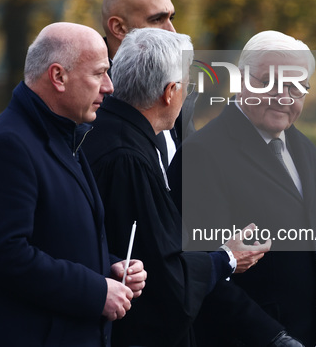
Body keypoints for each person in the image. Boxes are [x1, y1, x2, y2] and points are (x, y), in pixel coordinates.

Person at [86, 28, 301, 347]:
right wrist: (227, 257)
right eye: (187, 85)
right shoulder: (127, 157)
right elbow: (164, 274)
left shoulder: (110, 135)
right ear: (170, 92)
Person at [0, 22, 146, 347]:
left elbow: (56, 240)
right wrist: (95, 291)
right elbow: (4, 256)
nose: (109, 86)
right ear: (58, 76)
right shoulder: (8, 145)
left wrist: (110, 266)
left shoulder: (63, 135)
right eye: (98, 73)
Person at [170, 31, 316, 346]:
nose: (283, 97)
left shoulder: (305, 149)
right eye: (270, 83)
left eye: (294, 86)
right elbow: (199, 271)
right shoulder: (202, 154)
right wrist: (274, 339)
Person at [101, 0, 197, 168]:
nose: (172, 31)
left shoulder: (176, 79)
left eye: (171, 17)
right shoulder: (89, 96)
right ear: (118, 27)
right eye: (157, 20)